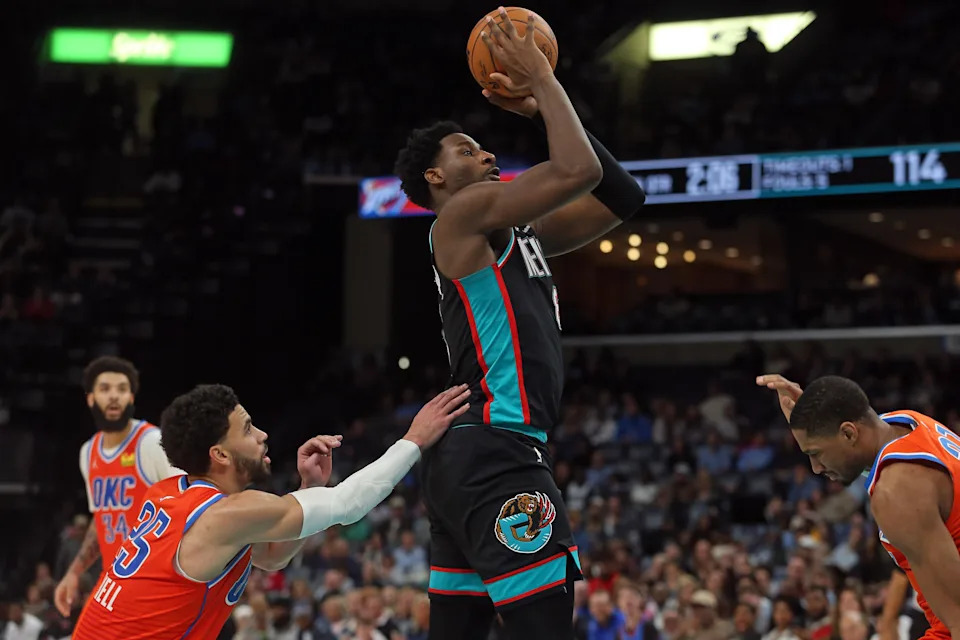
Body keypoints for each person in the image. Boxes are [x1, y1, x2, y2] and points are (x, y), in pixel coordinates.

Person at [393, 9, 645, 639]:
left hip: (473, 455)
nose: (486, 153)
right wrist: (541, 82)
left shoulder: (513, 230)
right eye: (466, 150)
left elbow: (621, 196)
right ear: (435, 177)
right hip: (496, 448)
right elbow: (576, 172)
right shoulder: (461, 215)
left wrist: (542, 109)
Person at [71, 383, 470, 639]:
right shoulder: (227, 514)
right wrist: (414, 440)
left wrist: (309, 489)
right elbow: (349, 504)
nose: (262, 435)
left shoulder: (169, 492)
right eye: (247, 429)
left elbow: (273, 555)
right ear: (220, 454)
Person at [757, 373, 960, 638]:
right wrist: (812, 414)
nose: (815, 468)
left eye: (816, 453)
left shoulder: (896, 493)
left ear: (848, 432)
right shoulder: (907, 423)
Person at [54, 356, 182, 616]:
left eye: (122, 389)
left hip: (159, 585)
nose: (114, 396)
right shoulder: (88, 452)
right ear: (90, 398)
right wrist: (74, 572)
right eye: (105, 389)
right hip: (116, 583)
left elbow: (193, 501)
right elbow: (102, 519)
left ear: (132, 398)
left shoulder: (152, 442)